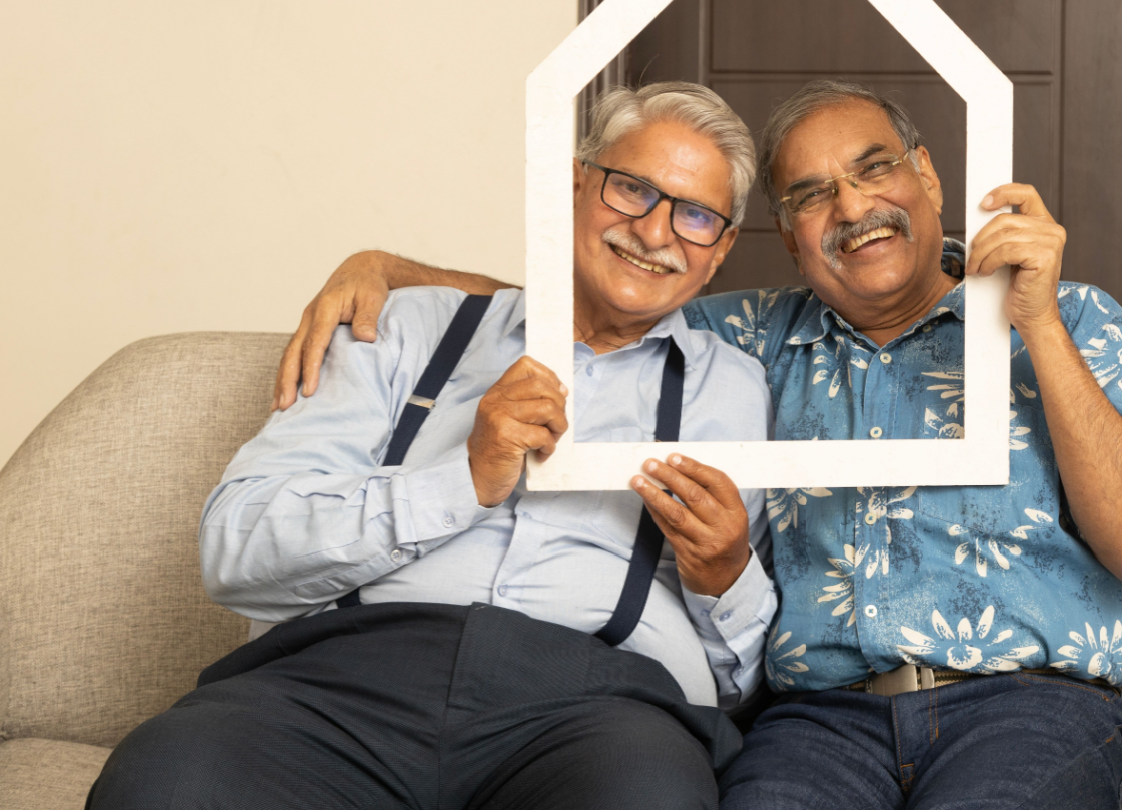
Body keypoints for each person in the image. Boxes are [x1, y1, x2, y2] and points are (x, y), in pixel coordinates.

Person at [279, 80, 1122, 810]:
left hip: (1030, 705)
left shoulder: (1073, 316)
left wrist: (1039, 327)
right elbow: (614, 285)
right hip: (818, 720)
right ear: (785, 237)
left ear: (928, 179)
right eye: (810, 195)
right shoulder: (749, 339)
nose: (851, 207)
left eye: (873, 169)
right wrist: (390, 272)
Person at [88, 83, 779, 810]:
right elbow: (235, 552)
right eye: (633, 188)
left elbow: (737, 682)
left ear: (723, 247)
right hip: (341, 684)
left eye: (696, 214)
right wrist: (463, 480)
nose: (656, 231)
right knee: (167, 779)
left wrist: (727, 575)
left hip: (598, 710)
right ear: (573, 185)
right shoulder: (399, 329)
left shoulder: (733, 389)